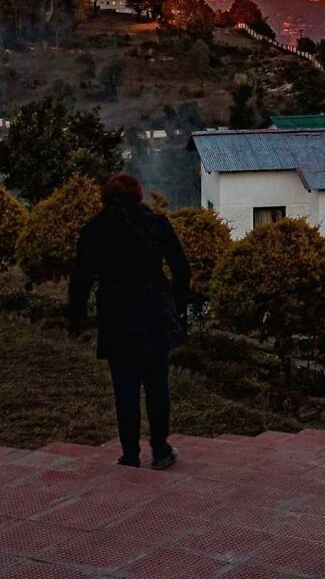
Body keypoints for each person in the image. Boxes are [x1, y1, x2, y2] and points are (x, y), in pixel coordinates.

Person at [68, 174, 190, 470]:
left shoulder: (95, 229)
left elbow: (81, 278)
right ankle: (160, 449)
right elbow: (181, 268)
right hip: (155, 314)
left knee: (125, 390)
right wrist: (179, 308)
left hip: (118, 317)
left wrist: (76, 317)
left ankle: (130, 455)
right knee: (158, 386)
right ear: (138, 195)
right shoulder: (156, 223)